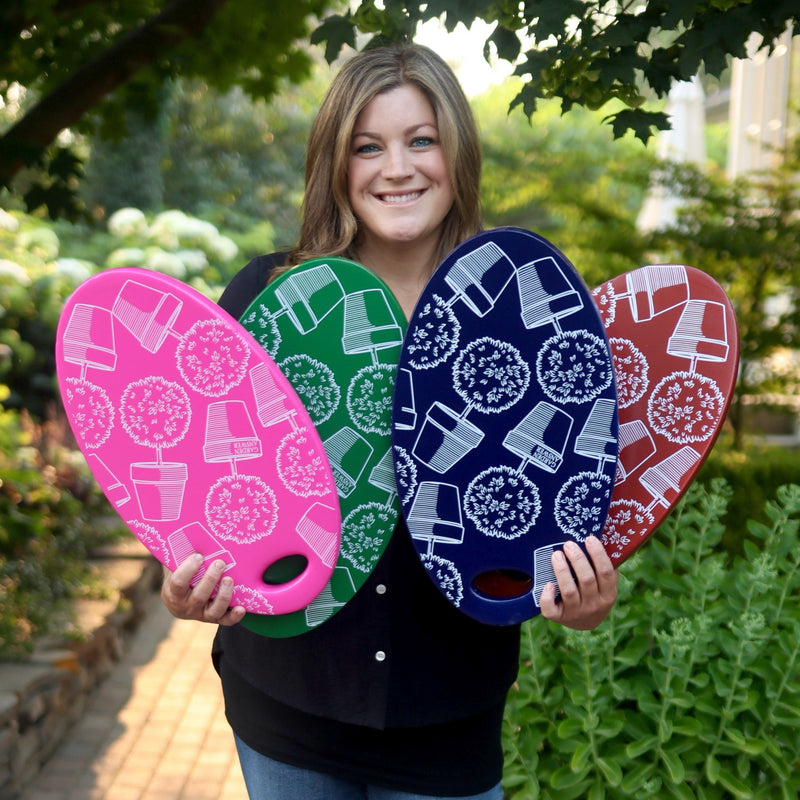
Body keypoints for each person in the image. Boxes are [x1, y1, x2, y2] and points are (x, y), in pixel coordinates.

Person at [161, 42, 618, 800]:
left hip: (449, 724)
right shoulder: (269, 299)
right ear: (337, 164)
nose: (396, 169)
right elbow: (198, 487)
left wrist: (580, 598)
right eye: (368, 147)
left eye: (421, 140)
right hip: (286, 715)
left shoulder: (520, 313)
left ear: (457, 153)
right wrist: (184, 585)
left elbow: (560, 501)